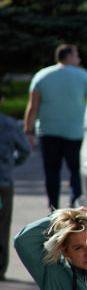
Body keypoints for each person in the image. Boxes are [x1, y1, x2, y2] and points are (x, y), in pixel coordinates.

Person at [24, 45, 87, 211]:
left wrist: (28, 131)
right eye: (76, 56)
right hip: (75, 132)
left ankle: (53, 206)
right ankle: (74, 200)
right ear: (68, 57)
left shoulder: (42, 76)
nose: (79, 60)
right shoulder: (84, 76)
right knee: (76, 169)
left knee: (52, 171)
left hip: (48, 132)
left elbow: (33, 107)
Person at [0, 91, 32, 279]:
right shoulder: (10, 125)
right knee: (3, 225)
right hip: (4, 180)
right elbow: (26, 150)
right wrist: (12, 163)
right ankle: (1, 267)